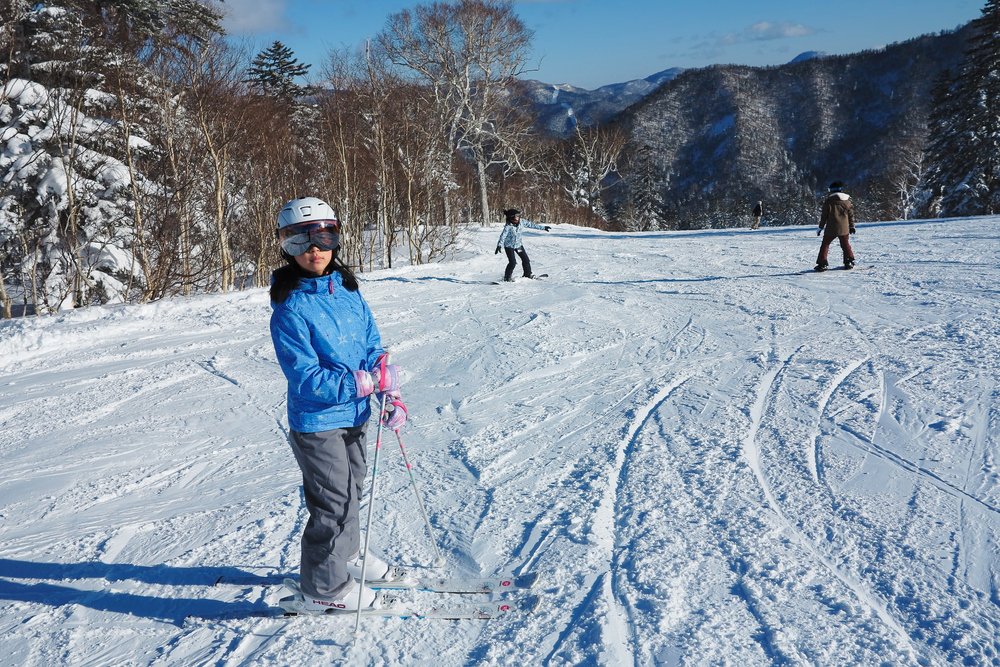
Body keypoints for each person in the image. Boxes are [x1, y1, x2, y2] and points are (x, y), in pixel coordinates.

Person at [269, 196, 409, 614]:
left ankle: (345, 555)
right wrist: (360, 383)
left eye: (324, 237)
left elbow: (370, 345)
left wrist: (386, 385)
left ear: (336, 238)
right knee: (332, 502)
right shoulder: (290, 309)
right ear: (287, 247)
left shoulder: (348, 292)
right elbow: (305, 377)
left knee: (352, 490)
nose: (314, 249)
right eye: (300, 240)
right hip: (318, 420)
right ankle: (324, 588)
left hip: (354, 413)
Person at [495, 208, 550, 282]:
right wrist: (499, 245)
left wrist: (543, 228)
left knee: (526, 260)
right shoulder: (508, 226)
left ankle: (527, 274)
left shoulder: (522, 222)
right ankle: (507, 278)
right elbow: (503, 235)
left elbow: (532, 225)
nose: (518, 218)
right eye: (516, 217)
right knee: (512, 262)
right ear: (511, 217)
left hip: (518, 245)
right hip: (509, 246)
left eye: (518, 216)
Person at [815, 182, 856, 271]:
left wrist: (820, 227)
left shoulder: (828, 202)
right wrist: (852, 226)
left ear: (832, 190)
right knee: (845, 244)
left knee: (825, 245)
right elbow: (851, 216)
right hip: (844, 228)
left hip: (831, 228)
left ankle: (822, 264)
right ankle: (849, 261)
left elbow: (824, 216)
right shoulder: (847, 202)